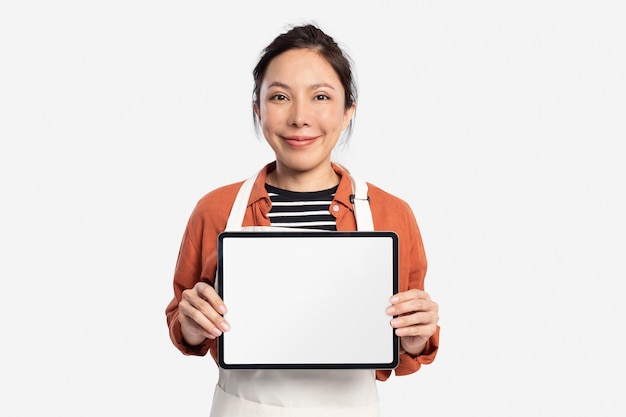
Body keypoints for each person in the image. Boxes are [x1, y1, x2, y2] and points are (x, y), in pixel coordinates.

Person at [165, 23, 440, 417]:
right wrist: (192, 324)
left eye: (321, 97)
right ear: (258, 109)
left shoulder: (393, 213)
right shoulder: (215, 209)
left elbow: (407, 345)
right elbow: (183, 324)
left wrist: (416, 337)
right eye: (280, 96)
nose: (300, 117)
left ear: (348, 112)